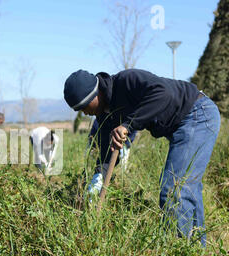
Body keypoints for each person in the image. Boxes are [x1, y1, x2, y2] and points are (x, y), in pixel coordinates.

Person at [64, 68, 221, 246]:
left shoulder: (127, 80)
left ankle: (179, 252)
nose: (84, 113)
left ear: (95, 94)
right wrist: (98, 176)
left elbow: (163, 93)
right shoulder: (105, 118)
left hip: (197, 113)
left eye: (84, 107)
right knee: (186, 188)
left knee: (174, 189)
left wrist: (128, 124)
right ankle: (197, 251)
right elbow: (107, 154)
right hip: (181, 126)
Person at [86, 117, 138, 195]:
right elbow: (93, 136)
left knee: (123, 165)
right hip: (105, 144)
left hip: (124, 141)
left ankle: (119, 179)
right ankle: (100, 182)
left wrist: (126, 142)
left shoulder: (130, 115)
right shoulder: (99, 118)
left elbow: (133, 126)